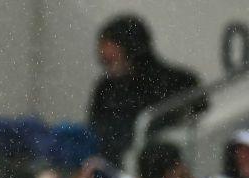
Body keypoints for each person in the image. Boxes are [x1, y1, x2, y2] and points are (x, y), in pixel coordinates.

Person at [88, 15, 206, 165]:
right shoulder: (105, 89)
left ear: (130, 47)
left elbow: (194, 119)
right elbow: (96, 130)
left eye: (111, 48)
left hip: (163, 162)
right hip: (115, 167)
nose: (103, 53)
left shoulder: (178, 81)